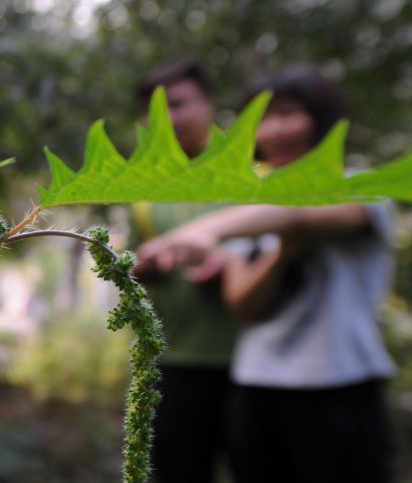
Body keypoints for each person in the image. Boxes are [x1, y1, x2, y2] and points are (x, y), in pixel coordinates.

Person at [138, 66, 396, 483]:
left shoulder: (362, 186)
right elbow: (243, 302)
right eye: (261, 120)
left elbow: (303, 215)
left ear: (323, 118)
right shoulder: (250, 211)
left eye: (289, 113)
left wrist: (205, 230)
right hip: (256, 388)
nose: (274, 130)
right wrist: (284, 253)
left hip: (340, 387)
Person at [131, 60, 237, 483]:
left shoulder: (257, 172)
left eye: (177, 105)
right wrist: (146, 266)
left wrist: (230, 267)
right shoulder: (142, 189)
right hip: (170, 362)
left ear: (209, 104)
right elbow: (127, 261)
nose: (167, 120)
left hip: (255, 365)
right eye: (153, 112)